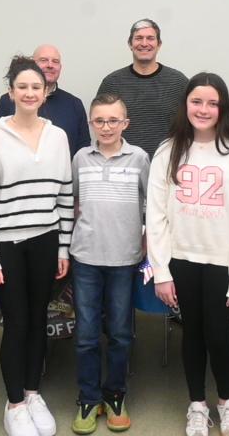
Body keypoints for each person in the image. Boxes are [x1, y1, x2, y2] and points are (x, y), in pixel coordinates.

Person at [147, 72, 229, 436]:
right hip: (181, 261)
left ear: (223, 107)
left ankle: (227, 402)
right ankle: (197, 404)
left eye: (212, 103)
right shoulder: (168, 151)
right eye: (197, 101)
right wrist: (161, 271)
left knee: (218, 336)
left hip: (222, 264)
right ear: (185, 104)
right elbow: (155, 215)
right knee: (192, 336)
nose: (203, 109)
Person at [0, 56, 74, 436]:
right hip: (8, 246)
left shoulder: (58, 136)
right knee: (16, 324)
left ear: (46, 92)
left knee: (38, 321)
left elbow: (65, 196)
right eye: (22, 87)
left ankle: (32, 393)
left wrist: (63, 249)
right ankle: (14, 403)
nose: (30, 93)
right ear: (11, 92)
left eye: (36, 87)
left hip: (46, 242)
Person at [69, 93, 149, 434]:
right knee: (86, 335)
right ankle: (88, 398)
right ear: (91, 123)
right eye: (99, 120)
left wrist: (146, 242)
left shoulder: (139, 158)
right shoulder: (80, 158)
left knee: (119, 333)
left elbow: (151, 205)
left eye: (113, 120)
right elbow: (72, 201)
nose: (106, 127)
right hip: (86, 258)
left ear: (125, 124)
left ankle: (115, 394)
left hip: (123, 260)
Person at [97, 18, 189, 157]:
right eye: (138, 38)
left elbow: (190, 126)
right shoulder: (111, 83)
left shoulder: (179, 82)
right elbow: (99, 125)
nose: (144, 43)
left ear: (159, 44)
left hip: (168, 163)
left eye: (150, 38)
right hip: (123, 165)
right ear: (130, 44)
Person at [0, 44, 91, 156]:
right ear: (33, 65)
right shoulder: (8, 100)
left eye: (55, 61)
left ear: (60, 67)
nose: (50, 65)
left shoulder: (74, 104)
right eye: (44, 60)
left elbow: (83, 152)